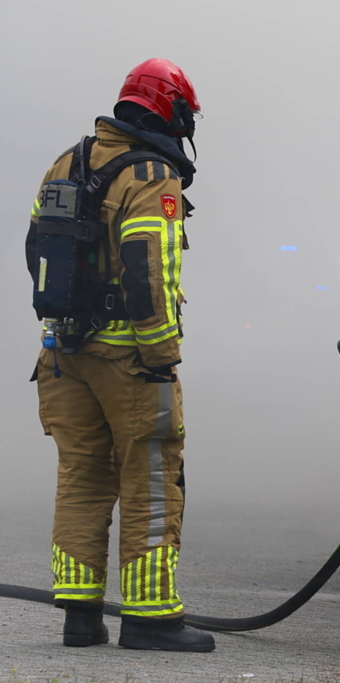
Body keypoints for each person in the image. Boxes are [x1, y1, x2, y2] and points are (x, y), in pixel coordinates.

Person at [26, 58, 214, 652]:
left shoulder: (68, 161)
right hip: (129, 359)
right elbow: (148, 270)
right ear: (170, 110)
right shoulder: (153, 175)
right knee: (151, 476)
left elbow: (36, 250)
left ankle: (80, 617)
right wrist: (161, 354)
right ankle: (150, 619)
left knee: (81, 475)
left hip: (62, 353)